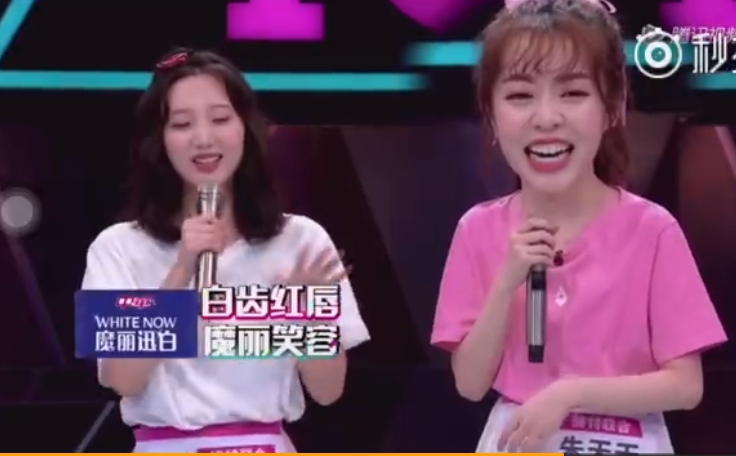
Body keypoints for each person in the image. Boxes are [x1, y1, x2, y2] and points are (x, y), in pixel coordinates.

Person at [430, 0, 727, 453]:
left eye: (572, 93)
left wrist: (571, 395)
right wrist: (507, 281)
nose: (546, 118)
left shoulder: (652, 230)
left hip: (628, 438)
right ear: (491, 116)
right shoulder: (477, 230)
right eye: (520, 96)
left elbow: (686, 386)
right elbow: (470, 384)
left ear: (611, 108)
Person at [81, 48, 370, 453]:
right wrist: (183, 268)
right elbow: (121, 380)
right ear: (158, 140)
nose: (203, 138)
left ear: (246, 128)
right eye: (182, 124)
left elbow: (328, 391)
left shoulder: (301, 239)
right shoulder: (117, 247)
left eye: (219, 119)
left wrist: (304, 311)